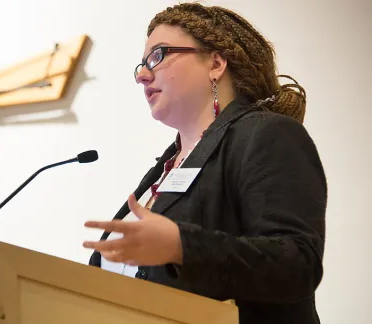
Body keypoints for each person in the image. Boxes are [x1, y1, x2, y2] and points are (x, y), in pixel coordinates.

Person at [82, 3, 327, 324]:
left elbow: (298, 264)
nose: (142, 74)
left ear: (215, 63)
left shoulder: (267, 134)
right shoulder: (166, 167)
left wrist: (182, 246)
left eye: (158, 55)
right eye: (141, 64)